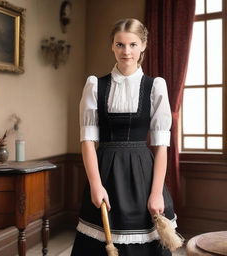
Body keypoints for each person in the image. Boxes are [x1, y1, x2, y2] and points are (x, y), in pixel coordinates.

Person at [71, 18, 176, 256]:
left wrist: (157, 192)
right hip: (105, 173)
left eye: (132, 44)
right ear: (112, 46)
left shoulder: (155, 86)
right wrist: (96, 185)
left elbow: (161, 146)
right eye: (120, 44)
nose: (126, 51)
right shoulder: (95, 85)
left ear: (143, 46)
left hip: (143, 177)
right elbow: (87, 141)